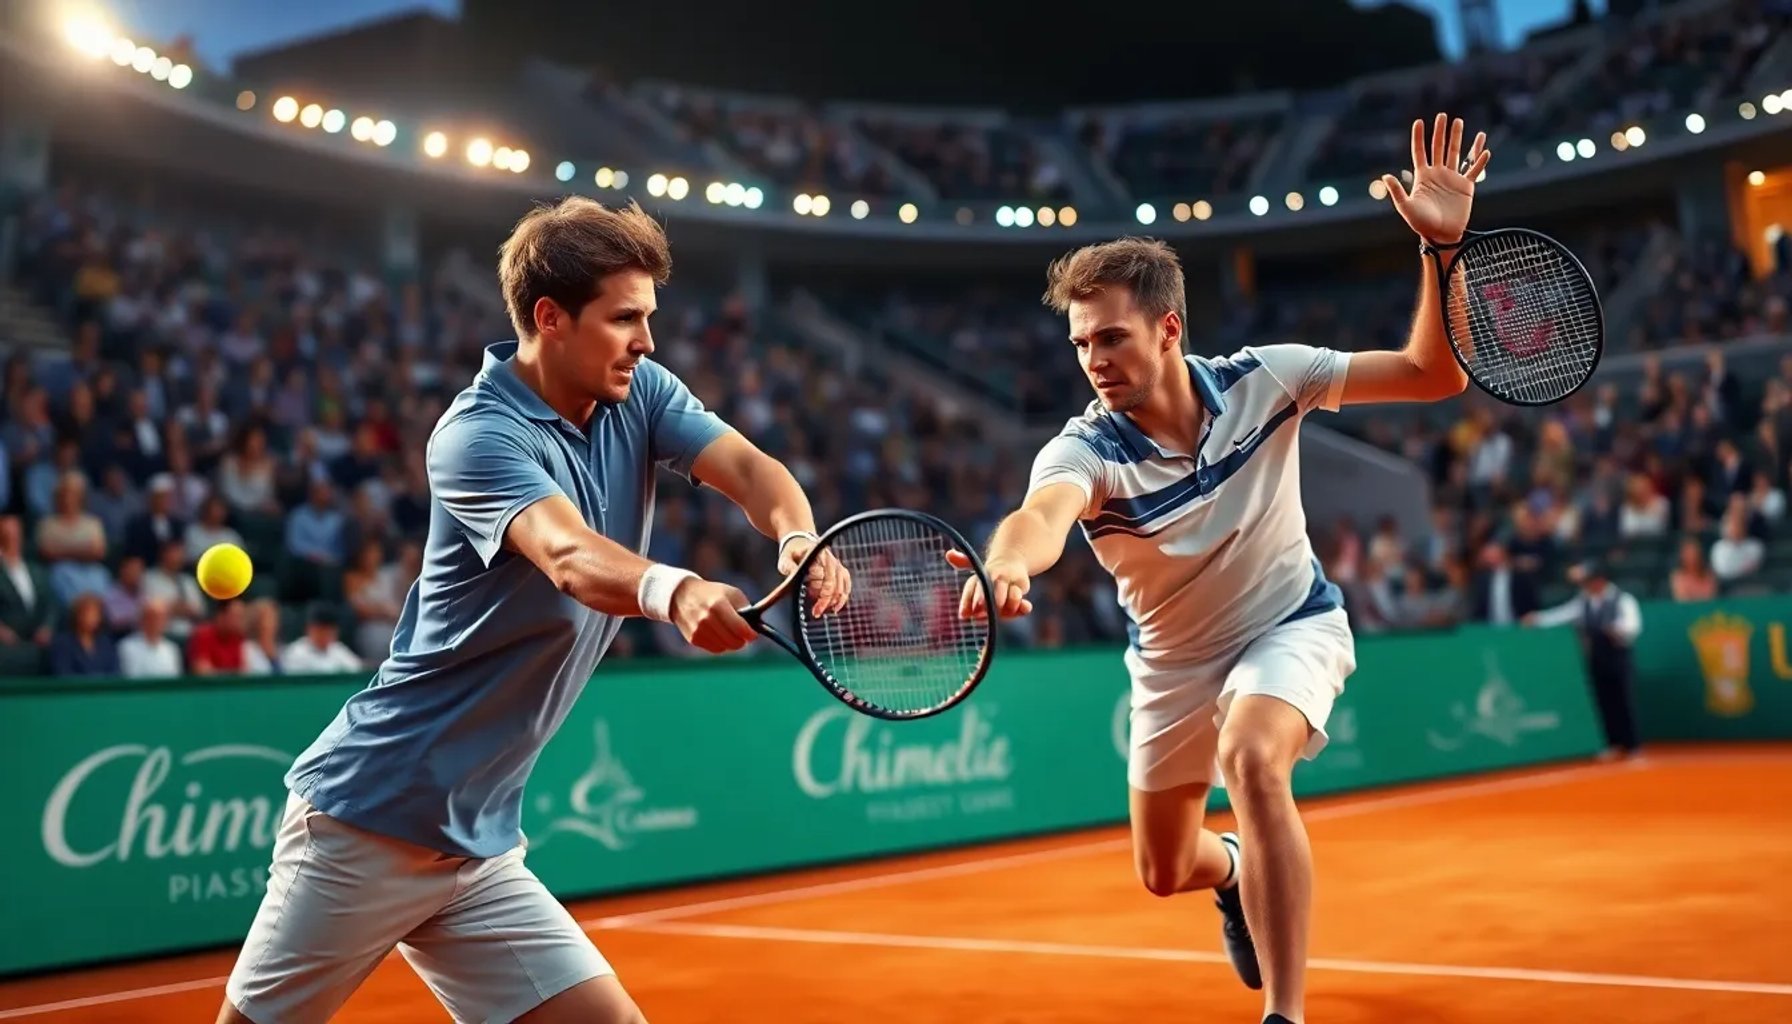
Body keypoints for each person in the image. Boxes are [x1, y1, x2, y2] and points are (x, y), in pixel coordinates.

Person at [217, 196, 849, 1024]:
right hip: (369, 823)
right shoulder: (476, 437)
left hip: (477, 847)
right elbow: (568, 555)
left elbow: (754, 470)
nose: (647, 342)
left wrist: (796, 536)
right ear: (550, 318)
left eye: (648, 318)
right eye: (624, 319)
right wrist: (676, 589)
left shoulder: (643, 393)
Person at [950, 113, 1491, 1024]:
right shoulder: (1085, 450)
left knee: (1251, 761)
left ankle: (1285, 1012)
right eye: (1081, 345)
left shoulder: (1267, 379)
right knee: (1165, 869)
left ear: (1167, 329)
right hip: (1172, 661)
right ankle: (1234, 870)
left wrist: (1443, 251)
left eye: (1111, 338)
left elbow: (1431, 376)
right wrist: (1007, 562)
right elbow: (1041, 517)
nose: (1094, 361)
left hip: (1290, 623)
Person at [1523, 560, 1643, 759]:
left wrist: (1618, 630)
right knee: (1602, 701)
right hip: (1596, 658)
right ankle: (1611, 743)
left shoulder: (1623, 599)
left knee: (1623, 700)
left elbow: (1632, 626)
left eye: (1590, 580)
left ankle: (1632, 744)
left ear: (1600, 580)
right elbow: (1562, 614)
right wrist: (1538, 619)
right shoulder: (1583, 601)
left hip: (1618, 658)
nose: (1587, 585)